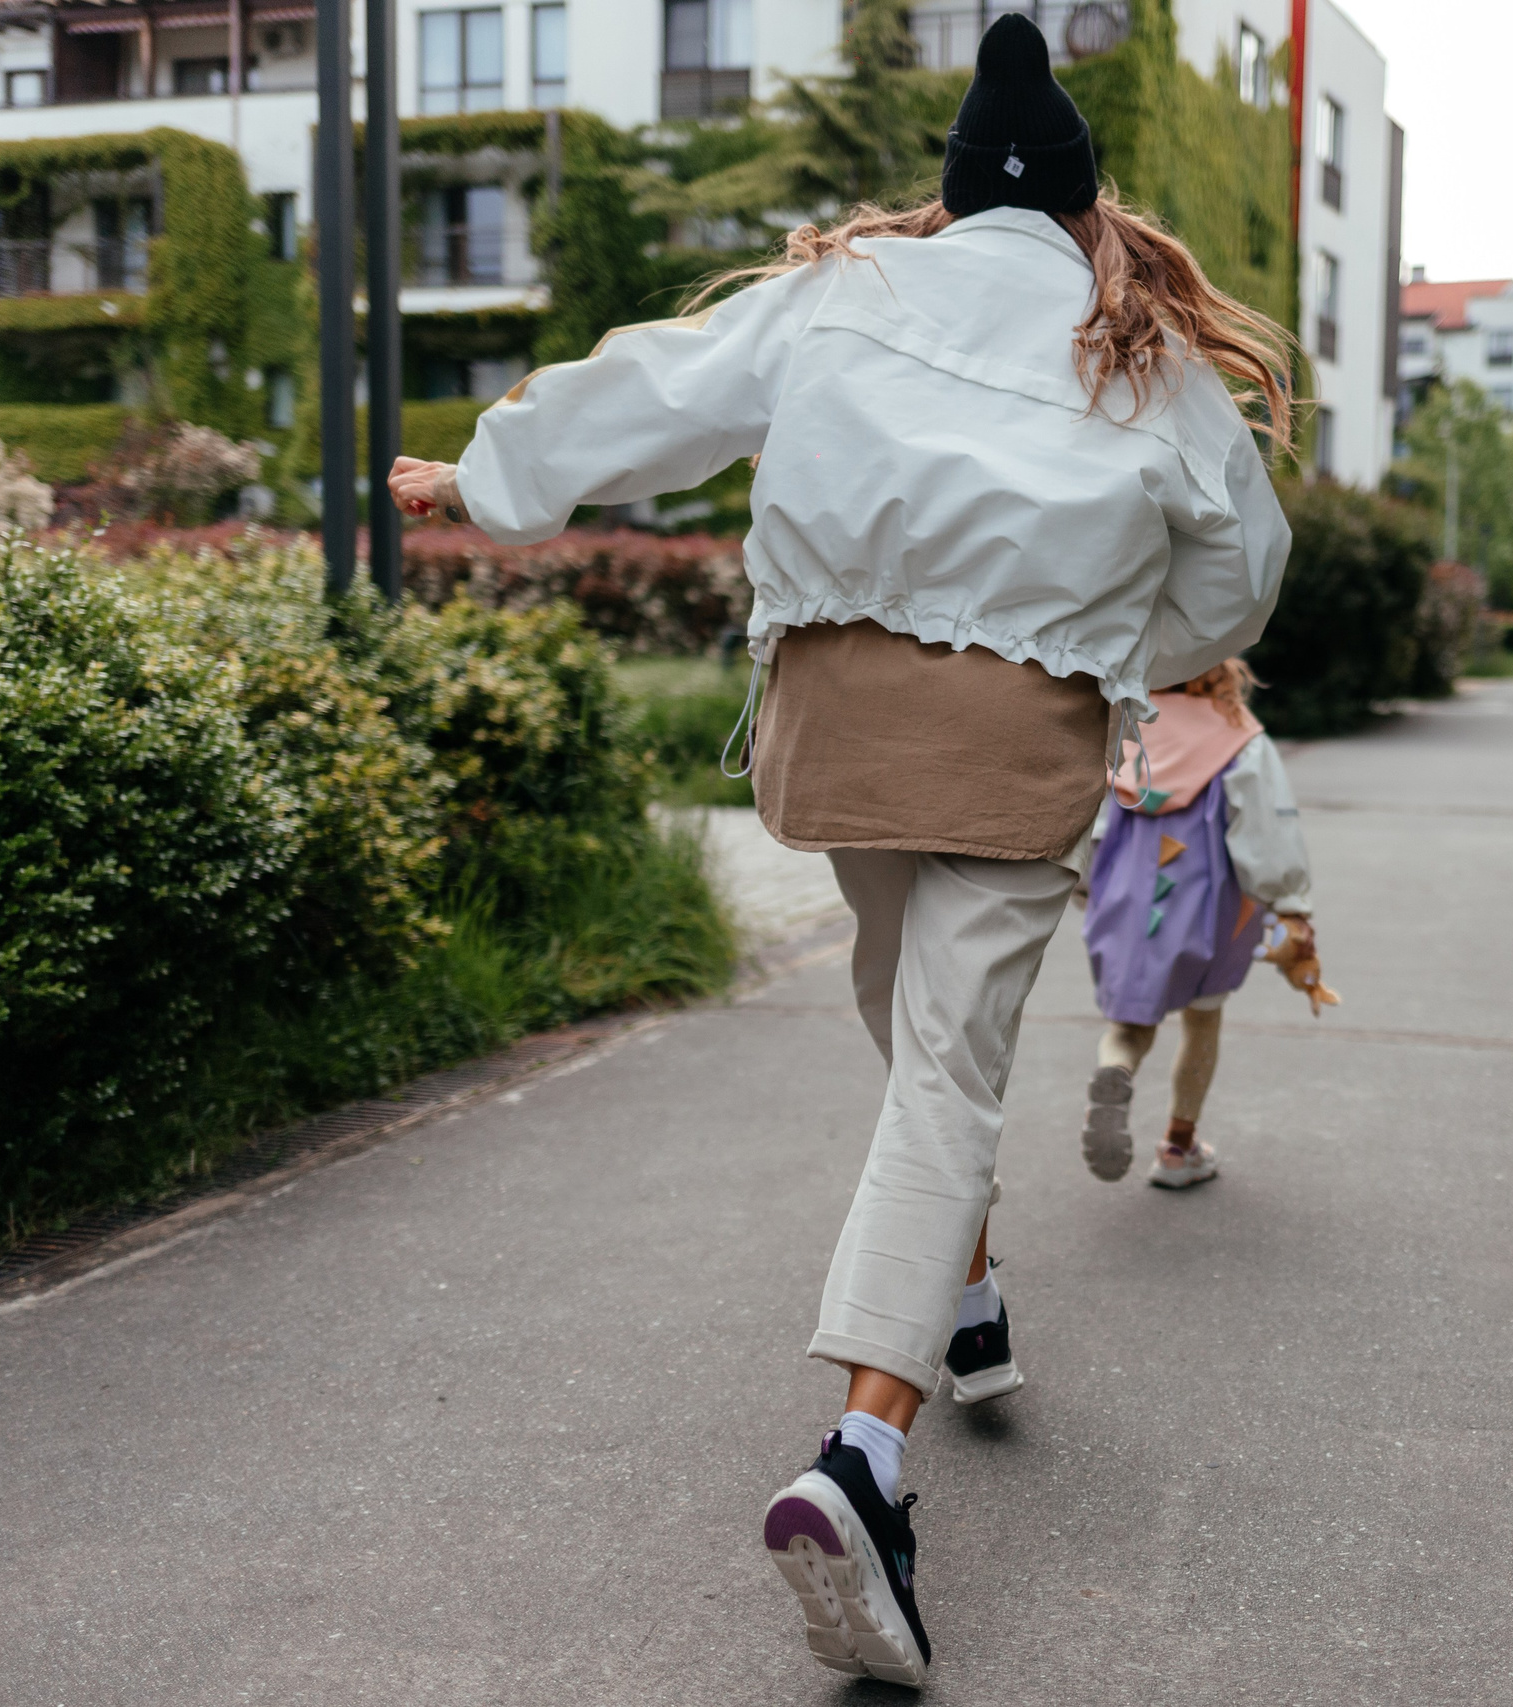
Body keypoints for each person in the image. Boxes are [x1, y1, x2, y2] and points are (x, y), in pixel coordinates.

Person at [386, 15, 1290, 1688]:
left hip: (841, 719)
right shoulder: (1138, 351)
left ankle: (972, 1289)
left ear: (948, 197)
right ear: (1088, 205)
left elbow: (660, 387)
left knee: (900, 1018)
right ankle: (865, 1459)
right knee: (944, 1066)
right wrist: (1120, 637)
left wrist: (485, 482)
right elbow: (1237, 577)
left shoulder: (851, 290)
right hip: (1016, 732)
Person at [1080, 661, 1332, 1187]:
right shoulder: (1238, 736)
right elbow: (1265, 827)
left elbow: (1093, 822)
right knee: (1203, 1017)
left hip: (1126, 902)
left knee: (1129, 1024)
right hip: (1212, 906)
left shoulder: (1124, 725)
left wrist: (1087, 890)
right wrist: (1291, 903)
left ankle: (1116, 1073)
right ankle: (1178, 1148)